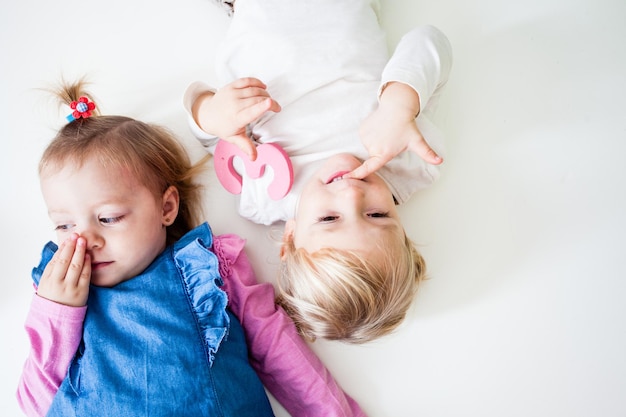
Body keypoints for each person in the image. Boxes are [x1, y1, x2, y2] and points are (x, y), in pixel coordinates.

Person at [16, 79, 366, 417]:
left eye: (108, 218)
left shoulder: (207, 269)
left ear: (166, 208)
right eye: (64, 225)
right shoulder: (62, 292)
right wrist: (57, 312)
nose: (84, 239)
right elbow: (37, 405)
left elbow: (277, 350)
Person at [184, 0, 453, 343]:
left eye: (329, 219)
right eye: (377, 213)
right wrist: (401, 102)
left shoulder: (263, 196)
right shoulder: (410, 159)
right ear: (403, 232)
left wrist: (212, 114)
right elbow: (429, 40)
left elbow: (209, 130)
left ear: (290, 239)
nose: (352, 194)